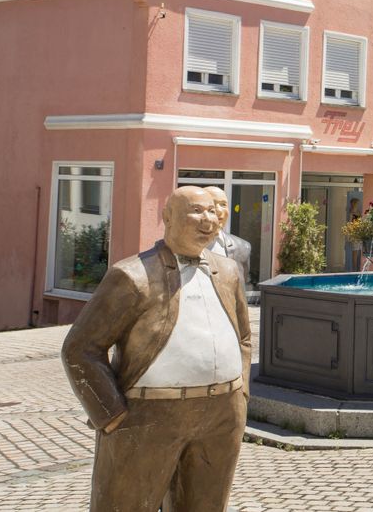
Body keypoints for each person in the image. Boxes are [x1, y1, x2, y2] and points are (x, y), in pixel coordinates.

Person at [61, 186, 251, 512]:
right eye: (195, 211)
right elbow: (80, 349)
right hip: (148, 416)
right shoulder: (132, 275)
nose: (208, 220)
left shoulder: (229, 271)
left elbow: (244, 338)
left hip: (222, 415)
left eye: (212, 211)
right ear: (168, 217)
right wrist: (112, 416)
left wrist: (242, 394)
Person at [204, 186, 253, 288]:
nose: (219, 210)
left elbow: (240, 287)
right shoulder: (180, 246)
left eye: (223, 204)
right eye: (212, 204)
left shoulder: (243, 247)